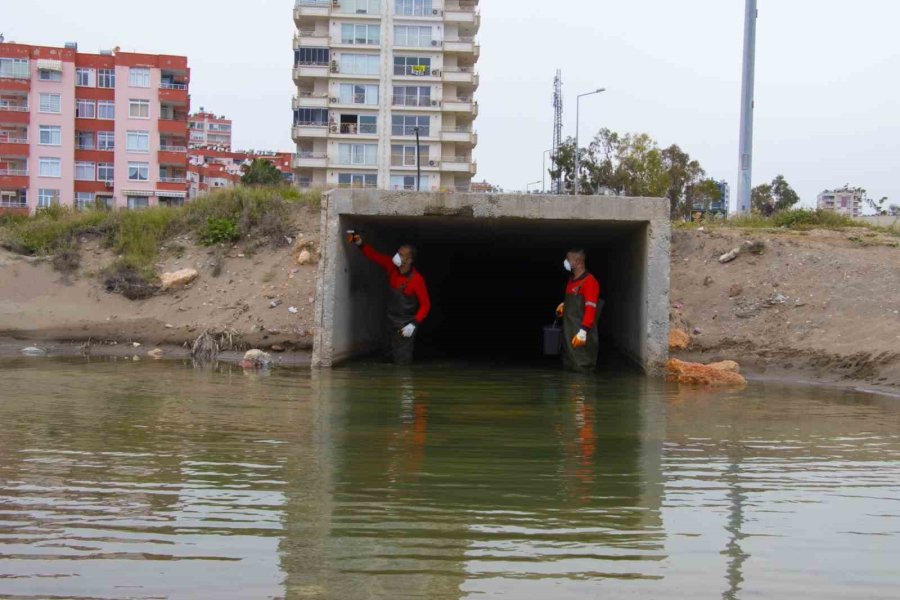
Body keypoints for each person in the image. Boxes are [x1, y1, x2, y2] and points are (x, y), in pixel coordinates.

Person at [348, 232, 431, 365]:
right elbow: (374, 255)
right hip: (389, 320)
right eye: (398, 252)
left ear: (409, 260)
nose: (397, 256)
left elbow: (426, 305)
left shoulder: (417, 280)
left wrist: (414, 324)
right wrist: (359, 243)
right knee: (386, 357)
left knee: (402, 361)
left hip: (405, 325)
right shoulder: (391, 266)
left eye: (401, 254)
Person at [555, 249, 601, 372]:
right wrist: (564, 306)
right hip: (568, 335)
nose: (565, 261)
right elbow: (575, 303)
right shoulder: (572, 280)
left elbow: (591, 308)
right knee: (568, 366)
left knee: (582, 368)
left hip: (580, 336)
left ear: (577, 261)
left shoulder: (590, 281)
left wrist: (583, 332)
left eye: (568, 259)